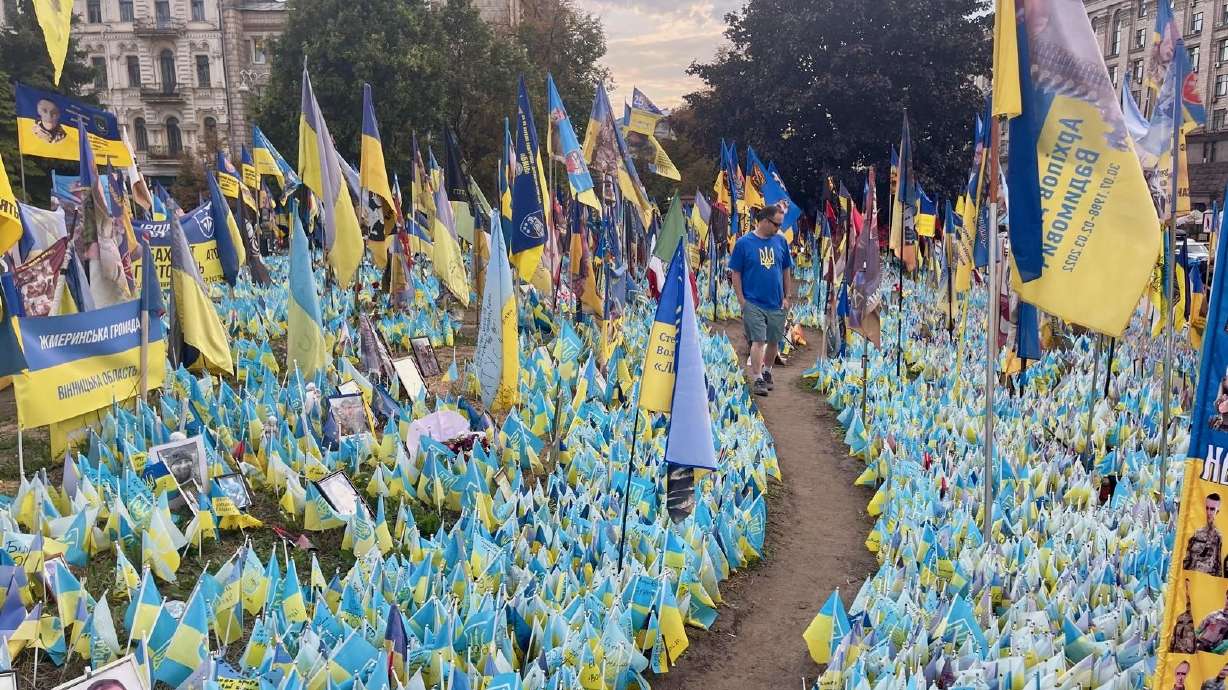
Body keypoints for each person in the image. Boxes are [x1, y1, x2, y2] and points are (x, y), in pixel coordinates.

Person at [730, 203, 792, 396]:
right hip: (753, 302)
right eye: (776, 224)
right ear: (765, 221)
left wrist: (787, 296)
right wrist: (742, 300)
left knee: (773, 340)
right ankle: (757, 377)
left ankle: (767, 372)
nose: (778, 229)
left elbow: (786, 269)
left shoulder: (781, 242)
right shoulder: (743, 244)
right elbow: (736, 273)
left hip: (776, 302)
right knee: (758, 340)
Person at [1185, 493, 1224, 576]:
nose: (1208, 512)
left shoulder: (1217, 536)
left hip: (1205, 581)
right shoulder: (1195, 532)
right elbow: (1186, 559)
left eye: (1212, 509)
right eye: (1207, 508)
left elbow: (1218, 565)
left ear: (1217, 511)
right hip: (1189, 578)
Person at [1171, 579, 1197, 653]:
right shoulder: (1180, 616)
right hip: (1177, 652)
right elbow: (1173, 637)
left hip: (1190, 655)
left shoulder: (1198, 618)